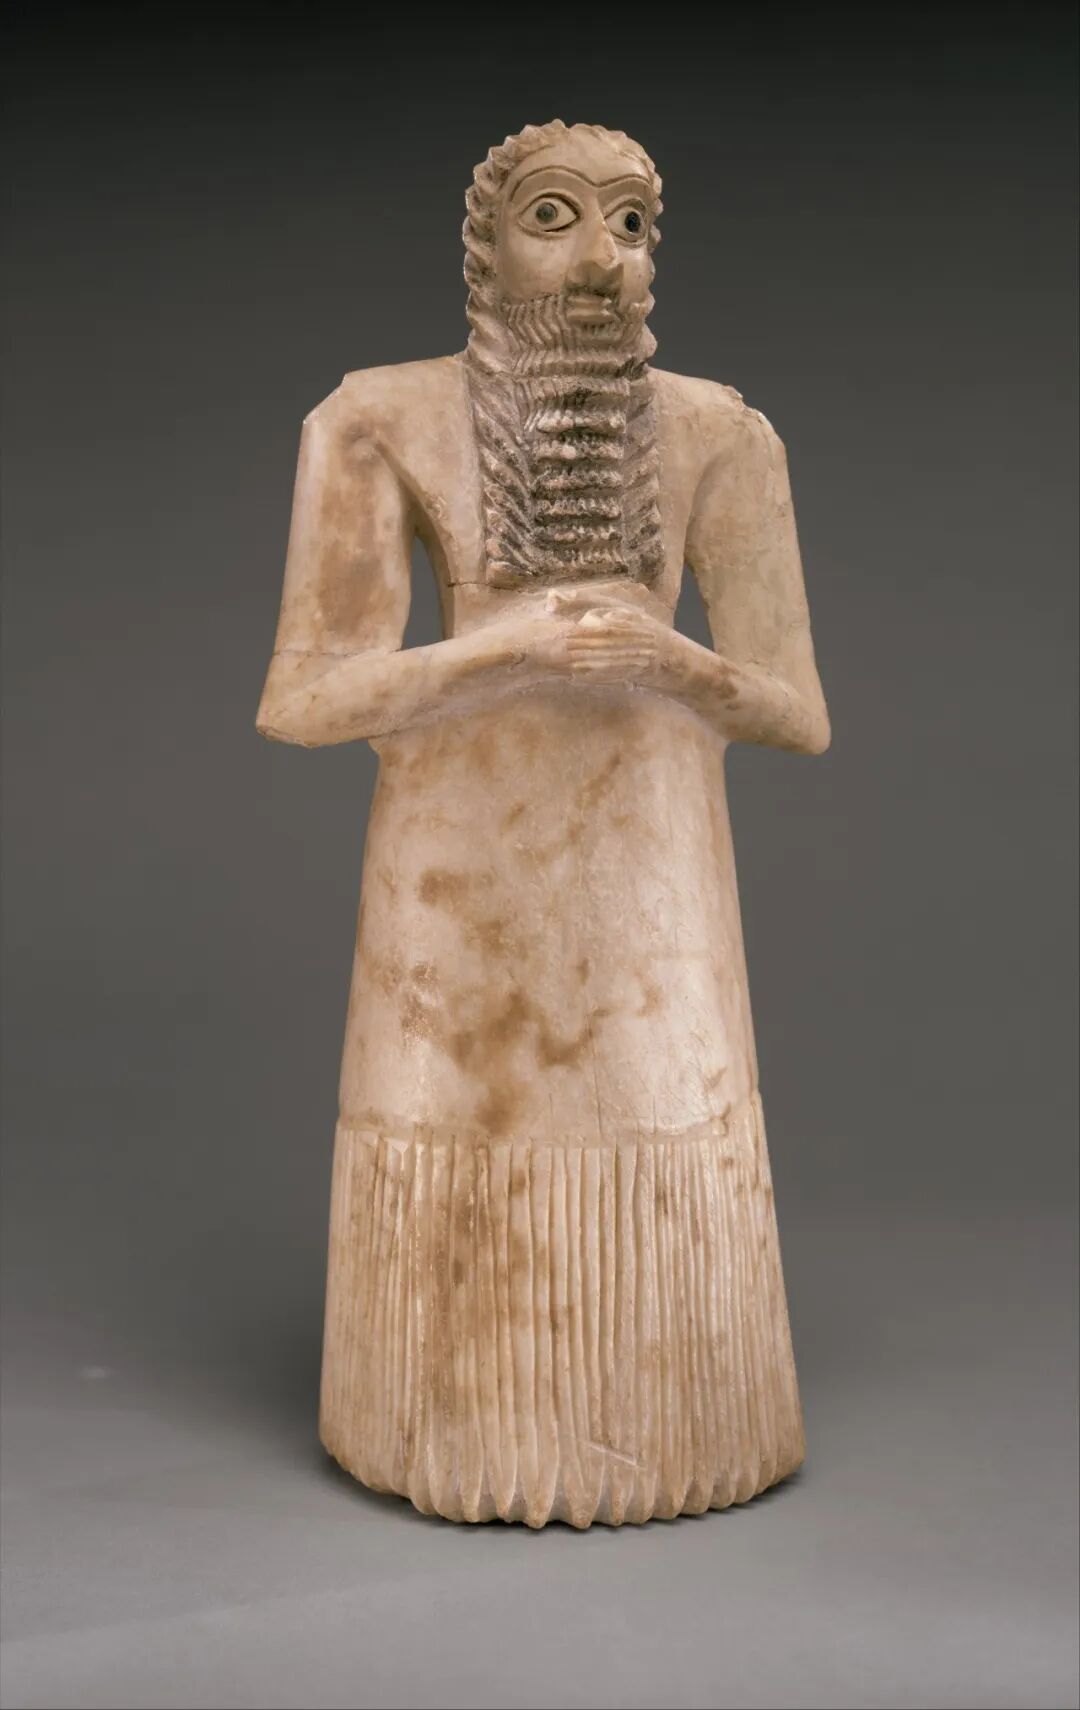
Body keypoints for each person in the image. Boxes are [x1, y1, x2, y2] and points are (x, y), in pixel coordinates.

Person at [257, 120, 831, 1528]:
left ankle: (684, 1429)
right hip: (456, 897)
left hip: (654, 886)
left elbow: (797, 711)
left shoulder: (718, 431)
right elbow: (305, 698)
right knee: (459, 1124)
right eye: (557, 215)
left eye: (630, 226)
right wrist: (500, 654)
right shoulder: (375, 420)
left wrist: (673, 664)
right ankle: (441, 1428)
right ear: (485, 246)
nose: (598, 259)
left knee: (663, 1113)